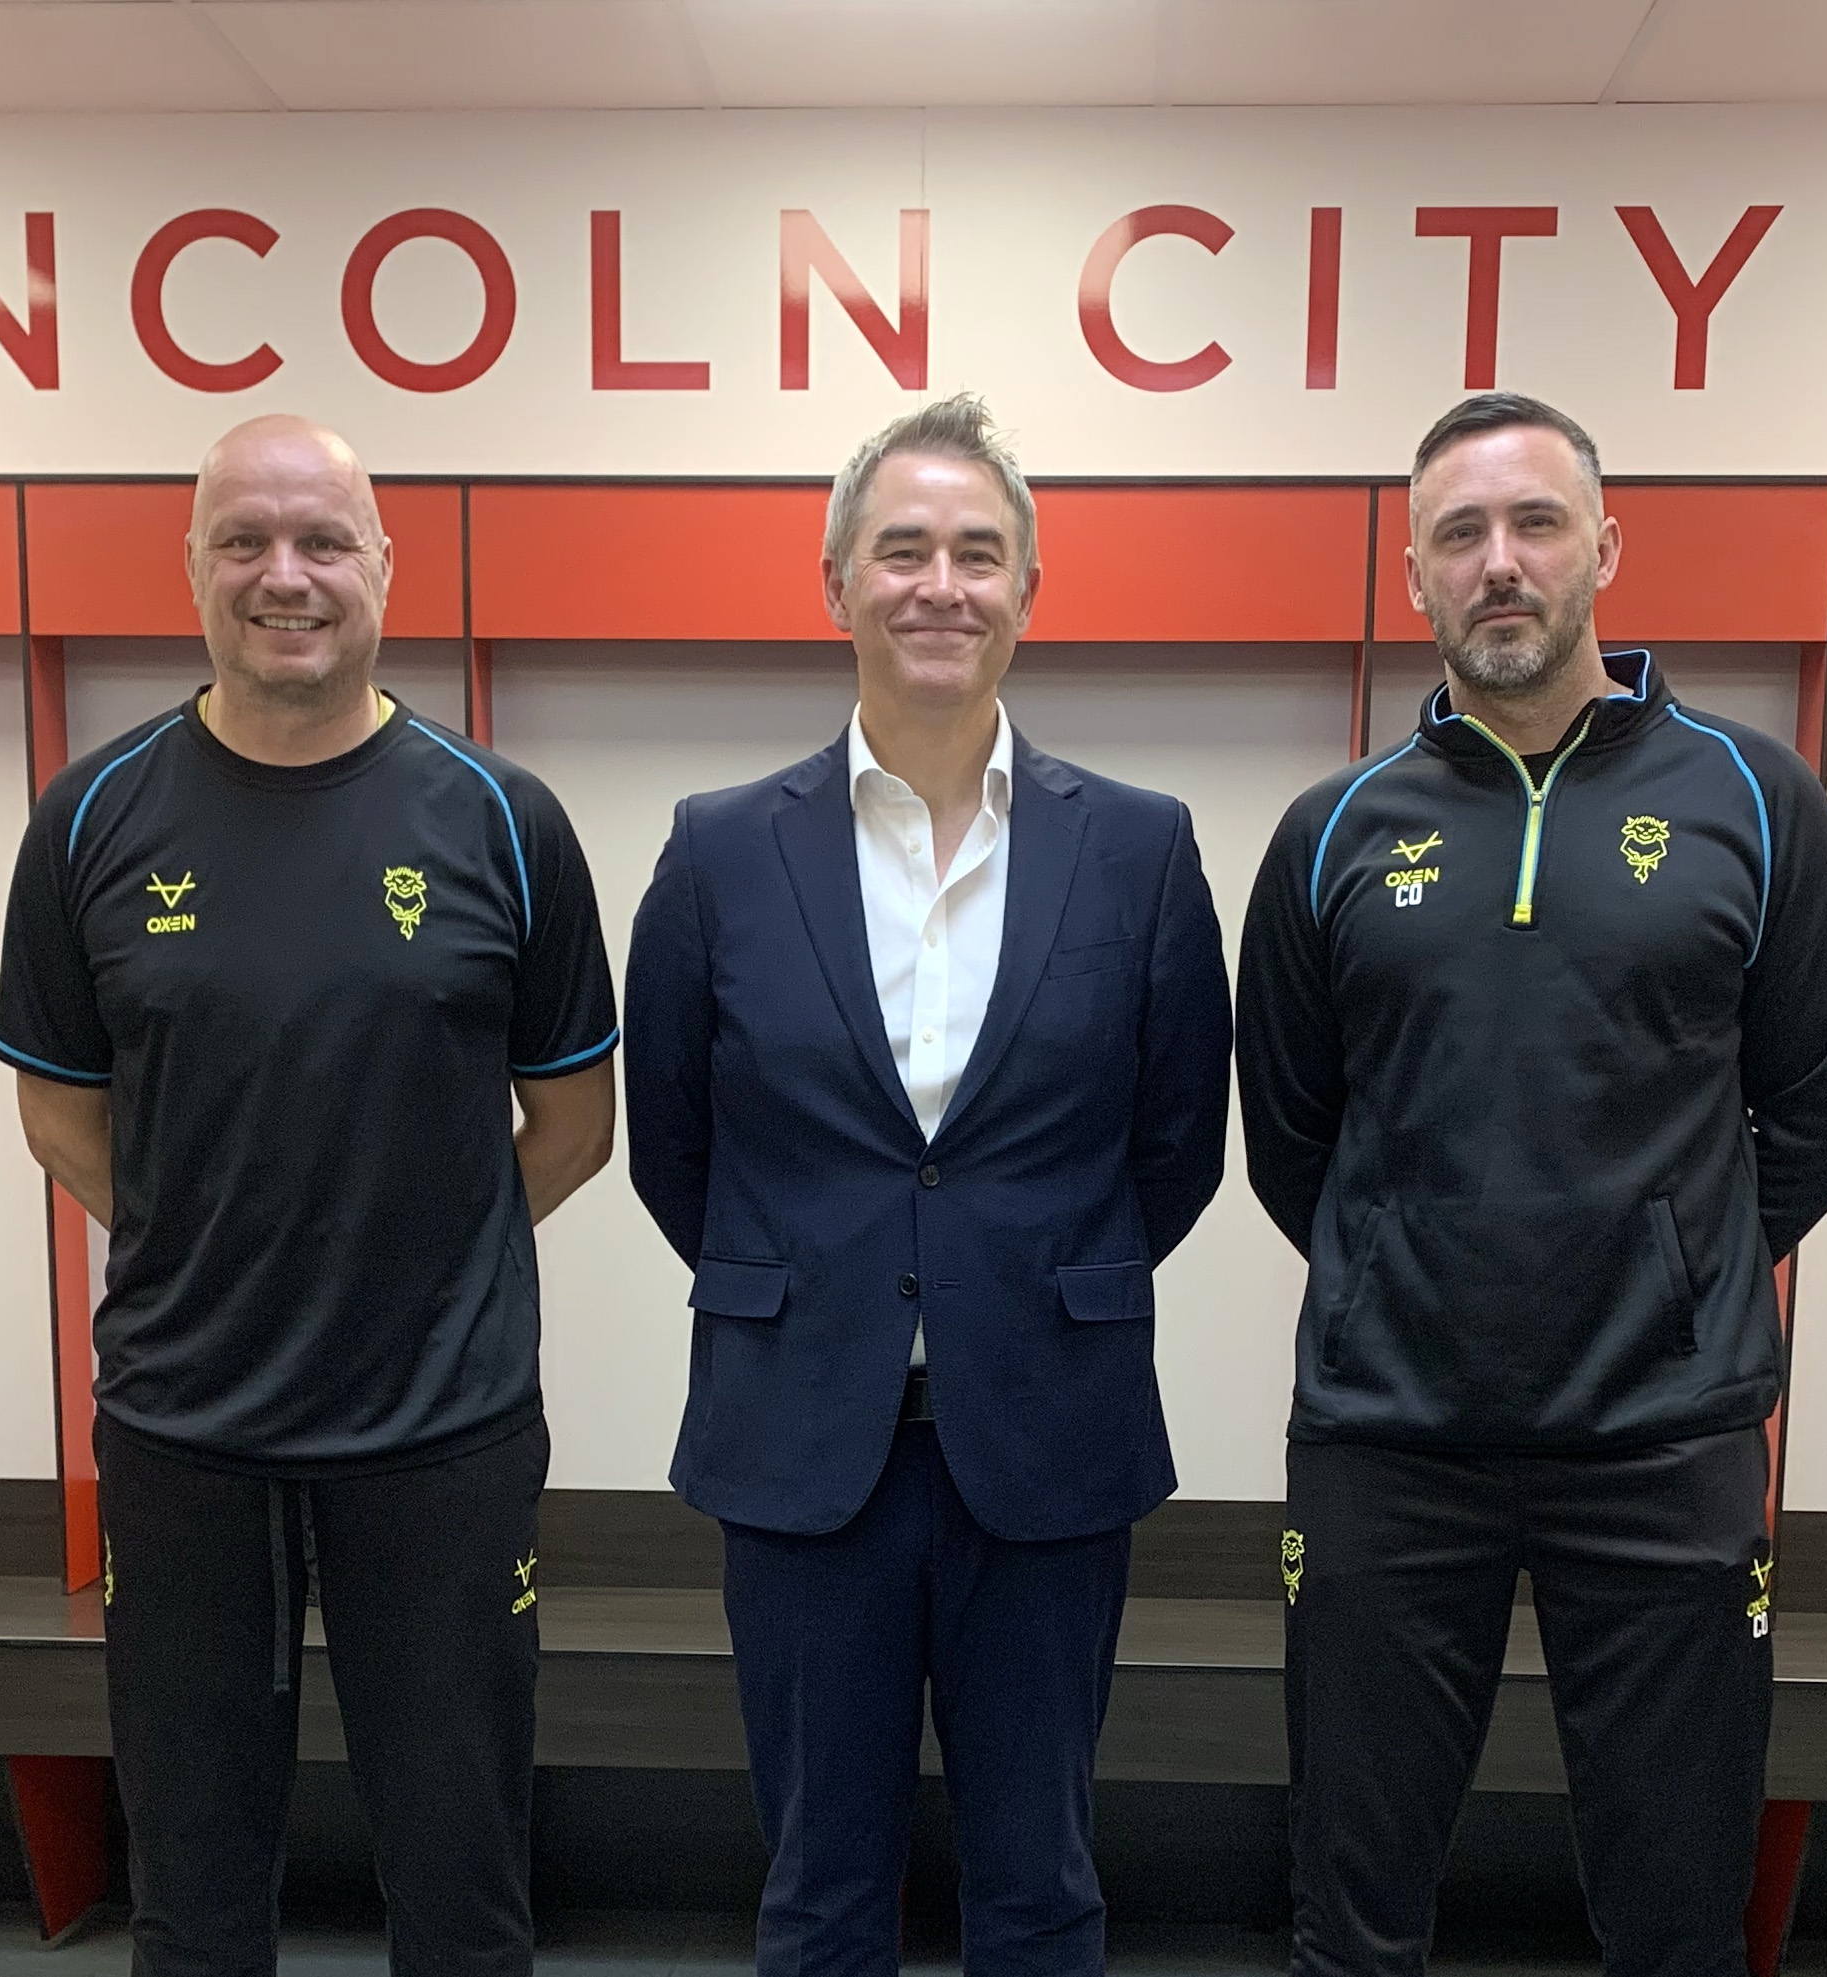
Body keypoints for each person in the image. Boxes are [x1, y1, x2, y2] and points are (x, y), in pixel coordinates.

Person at [1236, 392, 1827, 1977]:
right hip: (1390, 1441)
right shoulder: (1331, 833)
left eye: (1533, 524)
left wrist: (1670, 1268)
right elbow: (1290, 1136)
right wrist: (1408, 1266)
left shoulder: (1756, 799)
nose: (1499, 563)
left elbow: (1814, 1114)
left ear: (1605, 543)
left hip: (1665, 1447)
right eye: (1460, 534)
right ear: (1413, 576)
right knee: (1349, 1913)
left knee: (1674, 1918)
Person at [0, 414, 618, 1977]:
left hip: (444, 1437)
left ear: (384, 569)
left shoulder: (502, 818)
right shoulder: (86, 817)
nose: (286, 575)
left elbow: (575, 1120)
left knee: (464, 1886)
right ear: (191, 567)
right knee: (194, 1898)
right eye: (245, 541)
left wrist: (418, 1251)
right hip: (185, 1436)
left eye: (323, 540)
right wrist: (216, 1240)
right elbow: (58, 1111)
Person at [624, 394, 1230, 1977]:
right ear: (834, 583)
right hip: (802, 1437)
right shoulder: (716, 851)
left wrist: (1006, 1277)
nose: (938, 584)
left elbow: (1175, 1145)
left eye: (976, 552)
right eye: (901, 549)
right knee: (821, 1890)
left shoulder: (1143, 852)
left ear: (1028, 589)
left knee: (1039, 1885)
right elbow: (674, 1146)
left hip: (1047, 1427)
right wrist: (839, 1275)